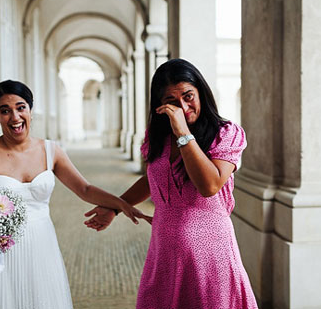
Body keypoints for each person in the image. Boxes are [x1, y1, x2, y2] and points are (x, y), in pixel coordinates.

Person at [0, 80, 149, 308]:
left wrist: (121, 205)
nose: (15, 117)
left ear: (30, 110)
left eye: (21, 107)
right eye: (5, 111)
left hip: (41, 245)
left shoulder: (50, 150)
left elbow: (84, 189)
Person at [84, 58, 258, 308]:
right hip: (164, 251)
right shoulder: (159, 138)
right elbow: (152, 178)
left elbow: (209, 185)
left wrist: (183, 133)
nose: (183, 107)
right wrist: (115, 207)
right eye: (172, 102)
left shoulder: (225, 133)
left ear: (201, 92)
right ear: (159, 106)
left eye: (188, 96)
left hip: (209, 254)